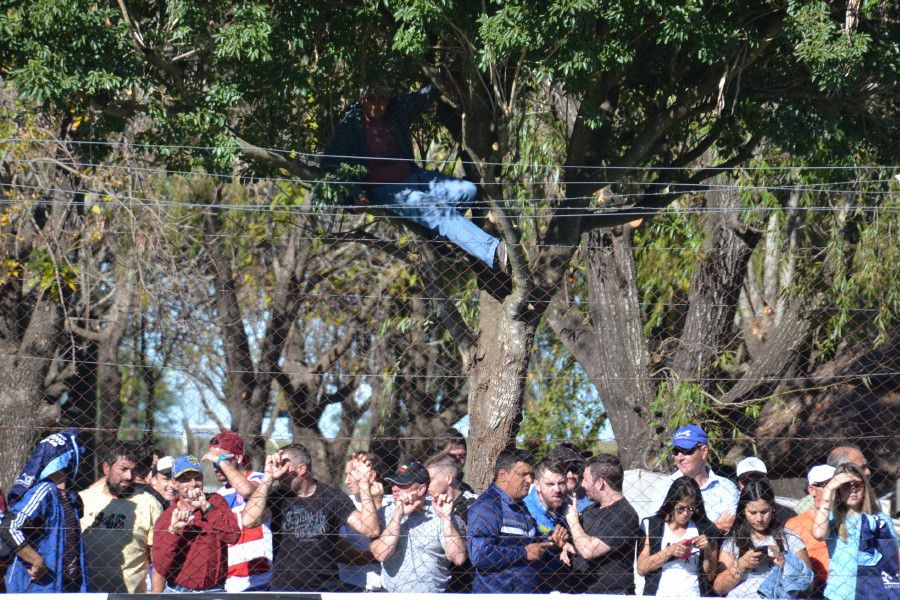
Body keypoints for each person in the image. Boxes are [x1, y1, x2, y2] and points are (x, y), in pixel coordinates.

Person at [321, 82, 506, 270]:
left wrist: (445, 78)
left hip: (414, 176)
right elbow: (330, 162)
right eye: (371, 99)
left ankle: (438, 237)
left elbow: (422, 96)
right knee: (440, 212)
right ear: (361, 100)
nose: (377, 104)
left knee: (467, 190)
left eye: (382, 99)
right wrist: (357, 193)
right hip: (386, 190)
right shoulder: (351, 124)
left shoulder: (396, 111)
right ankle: (494, 253)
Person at [241, 444, 380, 591]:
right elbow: (248, 521)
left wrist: (364, 485)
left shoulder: (333, 497)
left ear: (301, 469)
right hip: (284, 590)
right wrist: (267, 478)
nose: (279, 473)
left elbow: (371, 530)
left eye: (283, 467)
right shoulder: (278, 496)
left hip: (325, 589)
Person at [2, 428, 87, 593]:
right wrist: (36, 561)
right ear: (67, 457)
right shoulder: (44, 491)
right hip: (38, 588)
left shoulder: (71, 497)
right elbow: (9, 527)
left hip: (67, 588)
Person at [79, 441, 163, 593]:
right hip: (86, 593)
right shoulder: (83, 500)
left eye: (133, 470)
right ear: (106, 468)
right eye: (123, 469)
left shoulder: (149, 504)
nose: (129, 476)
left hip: (130, 596)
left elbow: (159, 562)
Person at [369, 461, 466, 592]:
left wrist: (446, 519)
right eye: (393, 484)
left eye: (402, 484)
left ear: (421, 489)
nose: (394, 489)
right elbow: (381, 554)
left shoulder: (440, 511)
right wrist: (398, 516)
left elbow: (458, 558)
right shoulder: (386, 512)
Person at [467, 447, 553, 593]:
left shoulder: (521, 506)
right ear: (502, 475)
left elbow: (530, 545)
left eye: (531, 475)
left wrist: (552, 541)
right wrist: (523, 553)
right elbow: (480, 555)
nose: (530, 480)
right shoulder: (488, 506)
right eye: (523, 474)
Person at [151, 455, 241, 592]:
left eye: (197, 477)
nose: (193, 483)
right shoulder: (167, 517)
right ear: (175, 483)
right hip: (179, 591)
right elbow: (161, 568)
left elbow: (233, 536)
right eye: (186, 479)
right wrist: (173, 532)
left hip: (214, 590)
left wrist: (206, 507)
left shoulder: (216, 501)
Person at [812, 463, 900, 600]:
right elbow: (818, 534)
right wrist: (829, 488)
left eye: (857, 485)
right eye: (846, 486)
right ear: (838, 490)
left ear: (864, 487)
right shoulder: (832, 518)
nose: (852, 490)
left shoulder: (880, 520)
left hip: (874, 593)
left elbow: (894, 557)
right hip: (839, 594)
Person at [713, 480, 812, 598]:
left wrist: (787, 565)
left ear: (773, 509)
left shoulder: (790, 540)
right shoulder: (733, 543)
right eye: (753, 513)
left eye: (764, 512)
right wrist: (741, 565)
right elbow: (718, 589)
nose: (759, 518)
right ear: (743, 512)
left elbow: (810, 587)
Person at [201, 431, 272, 592]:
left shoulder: (258, 478)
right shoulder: (218, 495)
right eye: (213, 460)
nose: (216, 465)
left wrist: (221, 461)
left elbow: (246, 490)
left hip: (262, 579)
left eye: (221, 458)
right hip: (231, 583)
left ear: (238, 458)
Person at [565, 453, 641, 594]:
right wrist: (566, 546)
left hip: (611, 594)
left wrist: (573, 522)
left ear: (600, 483)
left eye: (586, 479)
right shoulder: (589, 510)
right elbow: (577, 541)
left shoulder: (624, 514)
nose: (582, 484)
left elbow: (588, 550)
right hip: (580, 591)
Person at [637, 476, 717, 597]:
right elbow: (642, 569)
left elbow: (710, 575)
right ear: (672, 503)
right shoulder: (652, 525)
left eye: (691, 509)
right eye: (681, 508)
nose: (685, 513)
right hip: (660, 594)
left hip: (693, 594)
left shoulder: (705, 529)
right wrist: (670, 551)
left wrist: (707, 550)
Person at [671, 424, 739, 533]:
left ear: (704, 451)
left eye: (686, 451)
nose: (679, 457)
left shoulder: (727, 487)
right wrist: (715, 528)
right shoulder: (664, 486)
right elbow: (658, 528)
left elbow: (728, 525)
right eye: (675, 451)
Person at [426, 451, 478, 592]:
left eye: (430, 479)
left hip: (465, 583)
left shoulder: (474, 505)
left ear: (449, 478)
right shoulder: (425, 504)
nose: (426, 485)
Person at [338, 452, 388, 592]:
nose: (347, 480)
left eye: (353, 473)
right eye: (346, 474)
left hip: (387, 585)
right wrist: (383, 555)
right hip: (352, 584)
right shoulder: (343, 504)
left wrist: (377, 504)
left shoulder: (394, 502)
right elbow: (345, 554)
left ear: (371, 475)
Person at [523, 459, 576, 591]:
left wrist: (565, 545)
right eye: (550, 484)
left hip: (563, 583)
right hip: (533, 585)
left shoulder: (568, 506)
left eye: (561, 483)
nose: (557, 489)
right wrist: (555, 545)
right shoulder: (525, 511)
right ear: (537, 485)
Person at [785, 464, 835, 597]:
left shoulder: (850, 519)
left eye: (837, 484)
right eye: (828, 485)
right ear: (812, 490)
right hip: (814, 589)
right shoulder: (795, 524)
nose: (834, 489)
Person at [735, 456, 796, 524]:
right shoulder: (731, 514)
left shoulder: (786, 514)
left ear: (767, 481)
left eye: (758, 480)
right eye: (746, 481)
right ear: (738, 484)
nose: (753, 485)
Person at [548, 443, 593, 513]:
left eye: (575, 468)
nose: (570, 475)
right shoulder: (546, 501)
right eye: (565, 469)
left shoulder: (592, 496)